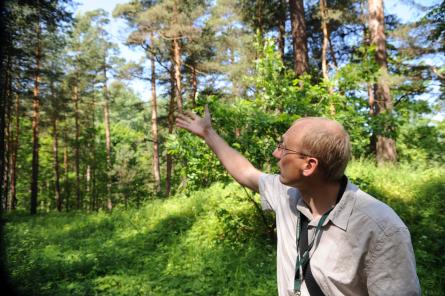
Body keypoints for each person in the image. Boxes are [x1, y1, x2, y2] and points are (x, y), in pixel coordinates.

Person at [176, 106, 421, 296]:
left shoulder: (382, 229)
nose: (276, 154)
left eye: (284, 148)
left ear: (309, 165)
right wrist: (208, 133)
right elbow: (246, 173)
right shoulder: (288, 194)